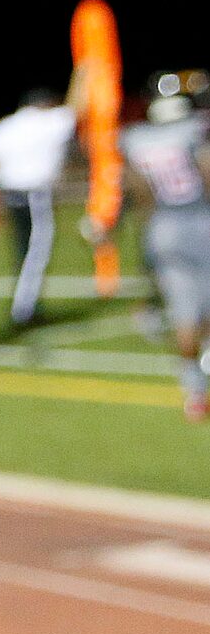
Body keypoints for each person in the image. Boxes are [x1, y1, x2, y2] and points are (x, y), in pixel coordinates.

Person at [121, 89, 210, 421]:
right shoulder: (192, 133)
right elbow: (206, 173)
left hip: (162, 227)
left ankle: (194, 393)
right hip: (199, 222)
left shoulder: (138, 140)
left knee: (184, 314)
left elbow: (139, 193)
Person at [0, 87, 77, 327]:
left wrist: (1, 177)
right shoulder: (46, 121)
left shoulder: (9, 124)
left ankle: (27, 305)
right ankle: (23, 311)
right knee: (36, 252)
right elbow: (75, 109)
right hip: (34, 195)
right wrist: (84, 73)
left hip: (11, 193)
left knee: (24, 250)